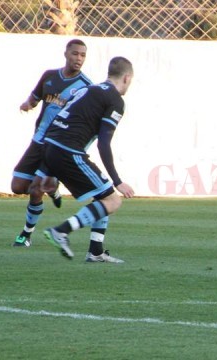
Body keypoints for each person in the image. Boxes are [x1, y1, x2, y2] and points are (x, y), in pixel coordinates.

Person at [41, 56, 135, 263]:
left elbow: (57, 121)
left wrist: (48, 169)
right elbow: (103, 143)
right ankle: (61, 231)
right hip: (68, 151)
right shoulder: (115, 101)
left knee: (103, 196)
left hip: (51, 146)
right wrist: (118, 181)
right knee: (112, 199)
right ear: (127, 78)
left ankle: (95, 252)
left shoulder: (88, 89)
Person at [11, 39, 92, 247]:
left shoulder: (85, 87)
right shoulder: (49, 76)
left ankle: (26, 235)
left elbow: (85, 123)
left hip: (56, 145)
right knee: (18, 186)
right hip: (38, 140)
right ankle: (53, 188)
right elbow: (35, 97)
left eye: (83, 55)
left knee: (36, 188)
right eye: (75, 54)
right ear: (66, 54)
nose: (79, 59)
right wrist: (27, 104)